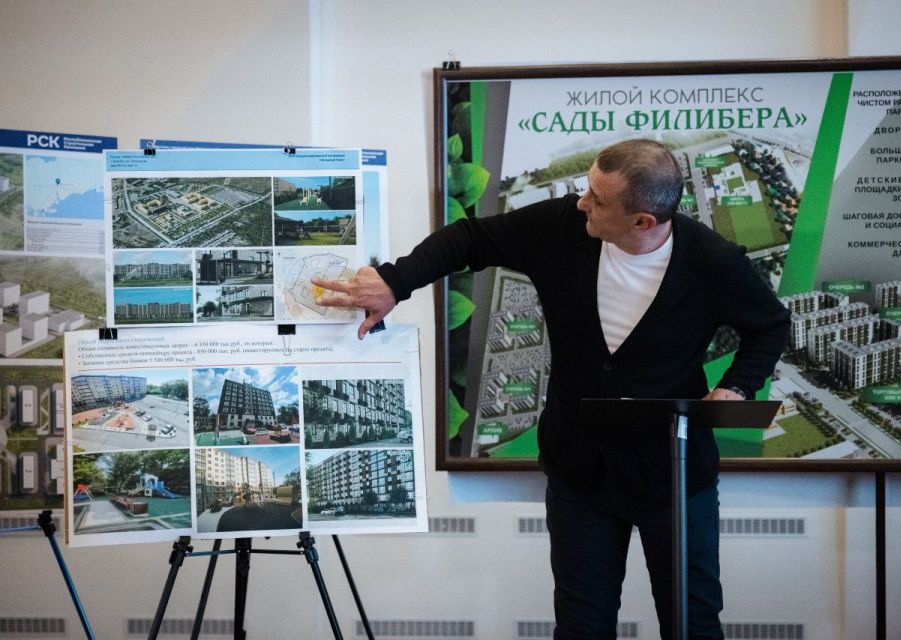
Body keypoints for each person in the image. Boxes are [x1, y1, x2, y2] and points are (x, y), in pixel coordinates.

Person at [313, 139, 790, 639]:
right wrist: (395, 281)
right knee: (582, 627)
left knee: (692, 625)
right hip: (579, 474)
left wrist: (737, 387)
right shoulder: (564, 226)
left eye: (597, 199)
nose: (581, 203)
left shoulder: (713, 262)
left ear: (642, 221)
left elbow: (770, 326)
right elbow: (470, 238)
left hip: (672, 474)